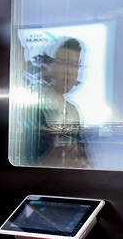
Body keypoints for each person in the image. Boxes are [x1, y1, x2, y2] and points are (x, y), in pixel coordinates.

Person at [35, 37, 88, 168]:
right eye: (63, 63)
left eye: (74, 65)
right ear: (46, 66)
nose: (69, 72)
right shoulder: (34, 105)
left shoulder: (73, 111)